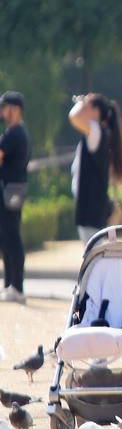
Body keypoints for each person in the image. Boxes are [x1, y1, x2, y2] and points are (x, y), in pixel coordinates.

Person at [68, 93, 122, 243]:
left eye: (87, 106)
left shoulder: (96, 130)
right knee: (94, 253)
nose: (82, 109)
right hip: (92, 205)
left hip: (91, 206)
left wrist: (80, 102)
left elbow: (74, 117)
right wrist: (85, 103)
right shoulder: (98, 132)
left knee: (93, 255)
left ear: (95, 111)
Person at [0, 91, 30, 304]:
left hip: (8, 191)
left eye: (6, 107)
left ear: (16, 109)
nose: (3, 112)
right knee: (7, 238)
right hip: (13, 189)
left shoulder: (15, 134)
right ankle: (10, 284)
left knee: (11, 237)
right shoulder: (18, 133)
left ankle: (16, 286)